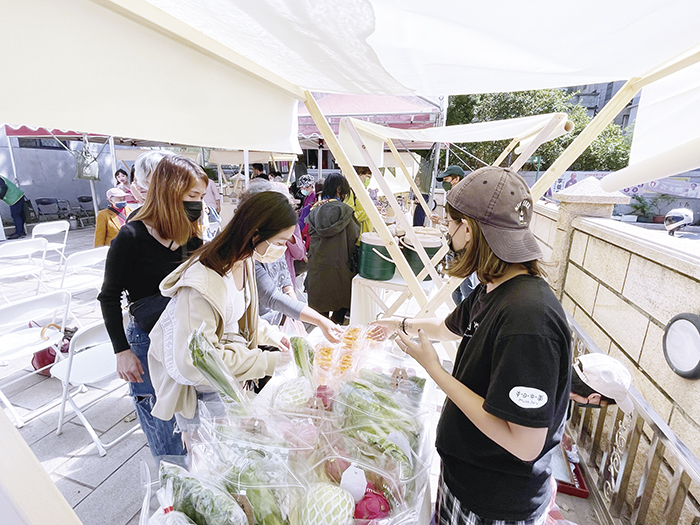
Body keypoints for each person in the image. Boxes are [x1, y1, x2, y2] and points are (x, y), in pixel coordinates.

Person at [372, 166, 571, 525]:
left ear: (468, 229)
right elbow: (448, 328)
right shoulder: (495, 285)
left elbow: (524, 443)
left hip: (495, 502)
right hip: (465, 479)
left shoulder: (529, 320)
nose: (446, 232)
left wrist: (434, 370)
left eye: (450, 223)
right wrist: (397, 323)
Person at [147, 191, 300, 430]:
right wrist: (268, 360)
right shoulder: (202, 283)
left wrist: (271, 336)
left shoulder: (245, 260)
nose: (281, 250)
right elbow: (199, 360)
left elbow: (239, 318)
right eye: (279, 243)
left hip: (228, 384)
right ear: (256, 234)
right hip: (202, 393)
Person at [98, 155, 208, 460]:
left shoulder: (190, 232)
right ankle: (172, 489)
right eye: (193, 196)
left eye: (200, 197)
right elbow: (108, 296)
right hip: (146, 340)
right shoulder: (130, 236)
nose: (198, 204)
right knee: (163, 432)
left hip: (184, 335)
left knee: (192, 422)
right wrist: (122, 351)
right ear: (170, 193)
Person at [306, 173, 361, 325]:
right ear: (339, 190)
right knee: (340, 304)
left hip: (318, 266)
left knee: (320, 312)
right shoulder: (346, 211)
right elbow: (354, 236)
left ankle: (322, 335)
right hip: (340, 265)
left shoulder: (315, 210)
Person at [343, 166, 373, 243]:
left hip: (365, 234)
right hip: (357, 237)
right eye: (367, 177)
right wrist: (369, 211)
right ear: (359, 174)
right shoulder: (350, 192)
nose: (368, 180)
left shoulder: (361, 191)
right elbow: (350, 216)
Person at [0, 175, 27, 239]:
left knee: (16, 215)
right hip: (17, 195)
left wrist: (1, 196)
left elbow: (4, 187)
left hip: (15, 197)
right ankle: (21, 231)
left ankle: (19, 233)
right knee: (19, 215)